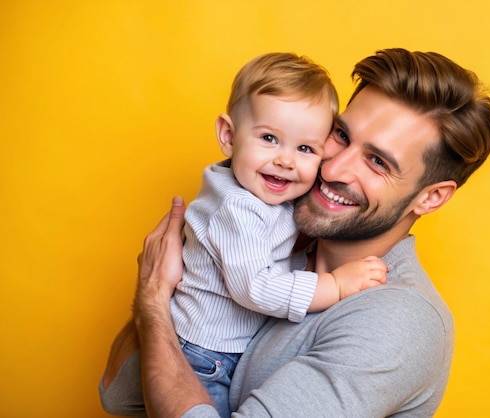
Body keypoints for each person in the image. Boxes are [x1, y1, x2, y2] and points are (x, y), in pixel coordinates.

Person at [100, 48, 490, 417]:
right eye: (341, 135)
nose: (333, 169)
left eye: (377, 161)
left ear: (430, 198)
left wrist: (153, 301)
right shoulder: (273, 230)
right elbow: (119, 396)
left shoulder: (398, 320)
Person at [115, 52, 389, 417]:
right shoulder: (237, 209)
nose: (286, 160)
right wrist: (336, 285)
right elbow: (255, 288)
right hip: (204, 355)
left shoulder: (265, 191)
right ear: (228, 136)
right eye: (269, 138)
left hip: (216, 346)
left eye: (305, 148)